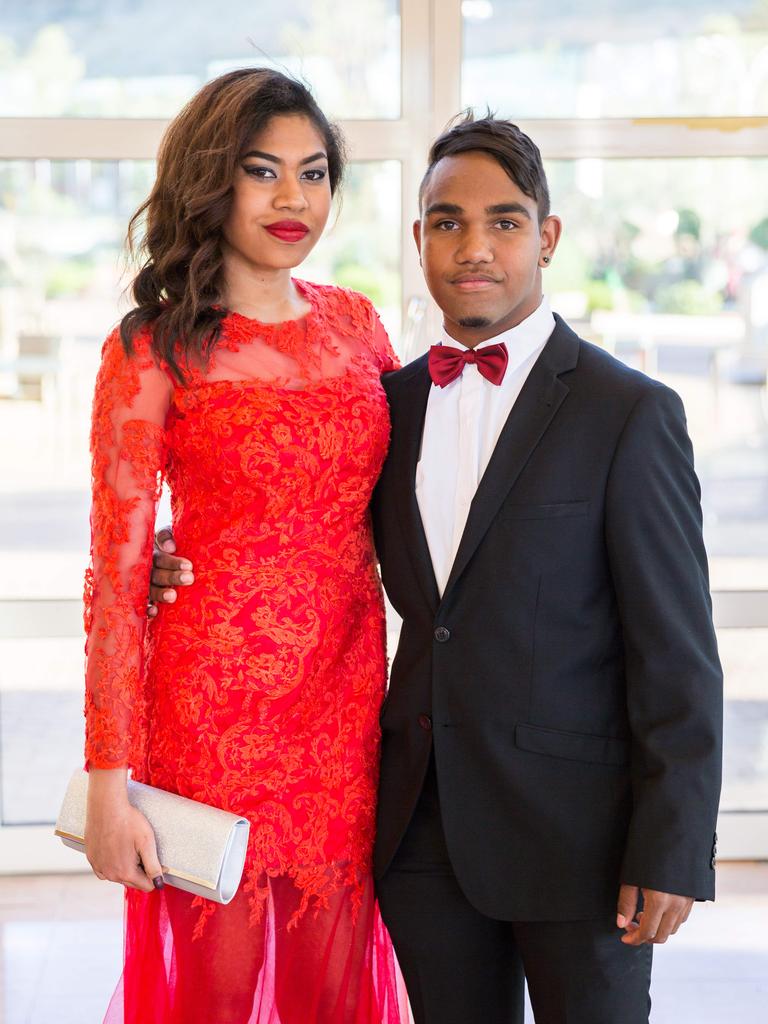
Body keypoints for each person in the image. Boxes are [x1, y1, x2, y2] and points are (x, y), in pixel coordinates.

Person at [152, 113, 723, 1024]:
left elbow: (679, 655)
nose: (476, 247)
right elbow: (302, 516)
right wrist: (172, 558)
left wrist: (673, 847)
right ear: (419, 240)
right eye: (448, 222)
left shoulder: (630, 413)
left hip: (580, 842)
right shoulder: (392, 400)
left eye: (504, 221)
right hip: (420, 835)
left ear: (548, 236)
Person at [83, 67, 407, 1024]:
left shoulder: (357, 325)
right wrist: (111, 789)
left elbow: (412, 498)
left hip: (345, 705)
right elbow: (117, 575)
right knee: (214, 992)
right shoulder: (151, 348)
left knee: (328, 981)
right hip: (210, 711)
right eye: (261, 171)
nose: (291, 198)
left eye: (312, 173)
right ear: (210, 181)